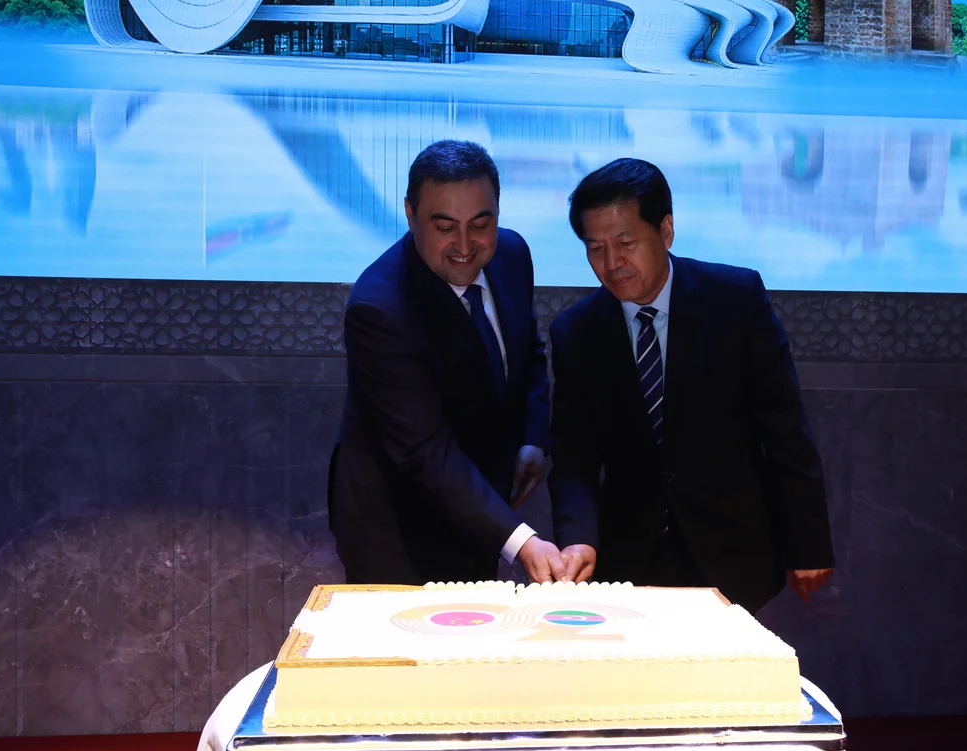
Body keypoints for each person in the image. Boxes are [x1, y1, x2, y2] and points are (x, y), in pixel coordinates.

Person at [548, 158, 834, 612]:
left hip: (732, 553)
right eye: (595, 248)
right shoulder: (576, 332)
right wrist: (578, 539)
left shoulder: (735, 300)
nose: (611, 263)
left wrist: (808, 544)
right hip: (629, 563)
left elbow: (784, 430)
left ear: (665, 230)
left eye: (625, 243)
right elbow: (573, 459)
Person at [328, 140, 566, 586]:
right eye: (444, 227)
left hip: (483, 507)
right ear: (410, 213)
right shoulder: (379, 308)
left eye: (481, 224)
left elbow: (527, 350)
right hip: (399, 528)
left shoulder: (512, 255)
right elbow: (426, 453)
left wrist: (533, 438)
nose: (464, 246)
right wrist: (522, 541)